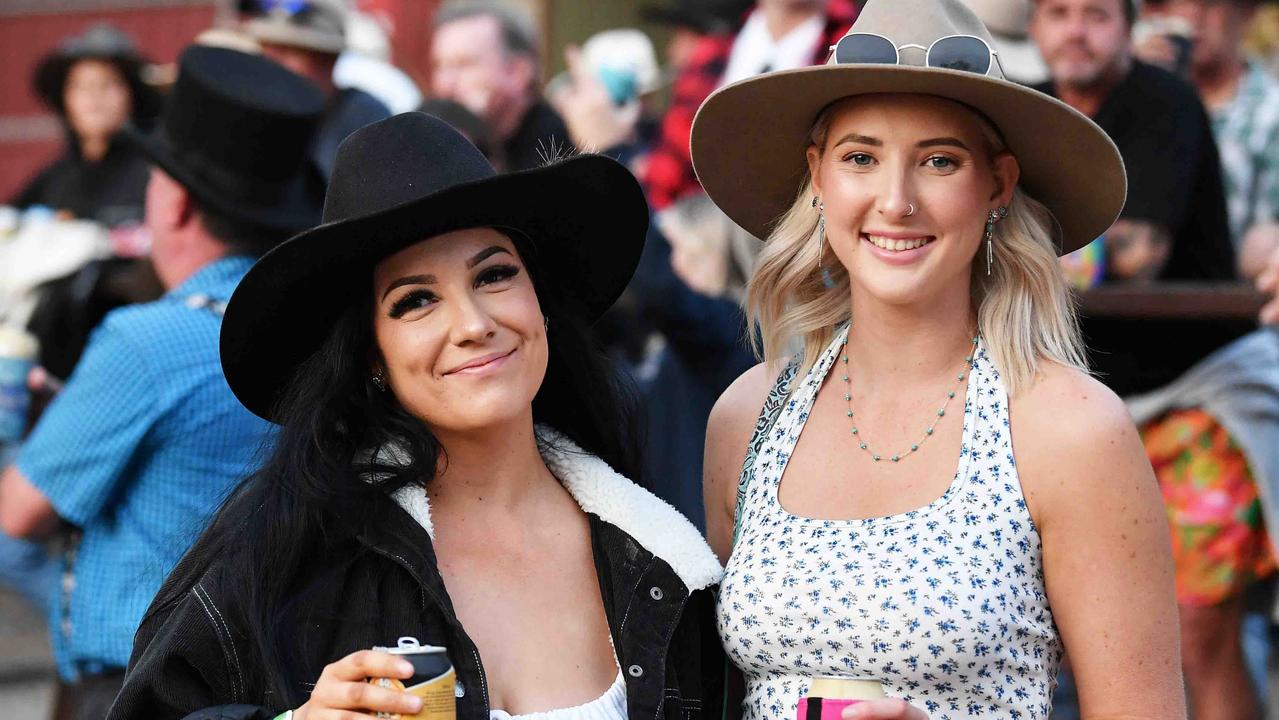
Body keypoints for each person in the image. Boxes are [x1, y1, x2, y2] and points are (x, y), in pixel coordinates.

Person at [107, 112, 726, 720]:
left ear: (539, 301)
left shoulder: (662, 558)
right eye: (416, 300)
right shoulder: (291, 545)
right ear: (371, 353)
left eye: (495, 274)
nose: (474, 323)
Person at [693, 0, 1183, 717]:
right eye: (860, 158)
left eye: (938, 162)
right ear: (818, 177)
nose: (894, 201)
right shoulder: (746, 416)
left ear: (998, 184)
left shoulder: (1067, 430)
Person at [0, 46, 325, 720]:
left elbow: (17, 516)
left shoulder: (145, 342)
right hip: (275, 674)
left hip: (137, 684)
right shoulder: (310, 331)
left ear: (173, 202)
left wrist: (7, 395)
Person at [643, 0, 860, 212]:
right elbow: (670, 162)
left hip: (797, 227)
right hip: (690, 229)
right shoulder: (712, 49)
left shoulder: (857, 46)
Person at [12, 24, 160, 227]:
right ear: (65, 100)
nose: (94, 96)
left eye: (107, 84)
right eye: (80, 86)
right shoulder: (54, 180)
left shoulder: (155, 174)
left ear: (133, 95)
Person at [242, 0, 392, 180]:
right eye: (267, 50)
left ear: (329, 59)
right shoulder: (262, 114)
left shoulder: (366, 122)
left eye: (288, 51)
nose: (273, 65)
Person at [430, 0, 572, 172]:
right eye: (439, 66)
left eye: (463, 65)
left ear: (517, 71)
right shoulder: (439, 134)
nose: (445, 83)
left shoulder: (558, 149)